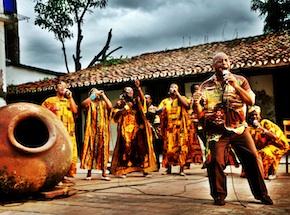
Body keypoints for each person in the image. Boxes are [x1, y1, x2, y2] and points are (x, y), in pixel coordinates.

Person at [193, 52, 273, 206]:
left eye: (226, 60)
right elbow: (199, 113)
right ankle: (219, 195)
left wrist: (235, 85)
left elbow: (250, 100)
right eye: (219, 61)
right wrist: (196, 103)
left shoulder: (240, 80)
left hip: (239, 129)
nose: (223, 63)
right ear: (213, 66)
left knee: (253, 158)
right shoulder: (205, 86)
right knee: (214, 161)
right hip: (216, 132)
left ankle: (262, 194)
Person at [110, 80, 157, 177]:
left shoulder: (136, 101)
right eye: (128, 91)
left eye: (132, 91)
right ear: (124, 93)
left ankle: (144, 169)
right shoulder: (121, 102)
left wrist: (138, 88)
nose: (130, 93)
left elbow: (143, 102)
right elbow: (114, 113)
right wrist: (124, 109)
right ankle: (124, 170)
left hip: (136, 127)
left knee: (141, 147)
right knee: (126, 147)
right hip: (125, 127)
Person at [42, 81, 78, 177]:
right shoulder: (50, 101)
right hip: (57, 132)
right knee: (58, 153)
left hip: (69, 132)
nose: (63, 88)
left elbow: (75, 111)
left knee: (71, 153)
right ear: (56, 88)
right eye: (60, 86)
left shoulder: (68, 101)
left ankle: (68, 174)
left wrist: (70, 97)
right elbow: (42, 113)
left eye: (65, 86)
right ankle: (58, 176)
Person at [246, 105, 289, 179]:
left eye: (256, 114)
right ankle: (260, 173)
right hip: (260, 147)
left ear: (259, 115)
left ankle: (270, 172)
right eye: (252, 115)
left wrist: (262, 129)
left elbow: (275, 137)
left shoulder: (265, 123)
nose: (254, 117)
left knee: (266, 152)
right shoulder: (249, 128)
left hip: (277, 144)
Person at [158, 83, 190, 176]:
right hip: (169, 129)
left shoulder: (181, 98)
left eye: (175, 87)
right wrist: (159, 110)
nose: (173, 89)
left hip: (180, 128)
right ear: (169, 90)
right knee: (169, 149)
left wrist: (178, 94)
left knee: (181, 148)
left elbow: (187, 105)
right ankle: (169, 169)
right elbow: (158, 111)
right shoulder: (165, 101)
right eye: (172, 87)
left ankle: (181, 169)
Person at [80, 88, 112, 181]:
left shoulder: (103, 103)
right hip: (91, 131)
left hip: (103, 131)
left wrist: (104, 95)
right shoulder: (90, 103)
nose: (97, 94)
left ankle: (104, 173)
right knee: (91, 150)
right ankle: (89, 173)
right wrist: (93, 95)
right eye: (94, 92)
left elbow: (110, 107)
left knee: (103, 151)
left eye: (97, 92)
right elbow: (83, 104)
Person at [145, 94, 163, 171]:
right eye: (144, 98)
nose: (146, 99)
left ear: (150, 100)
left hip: (154, 130)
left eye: (147, 98)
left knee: (156, 148)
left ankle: (157, 165)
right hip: (145, 130)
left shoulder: (153, 108)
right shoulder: (142, 108)